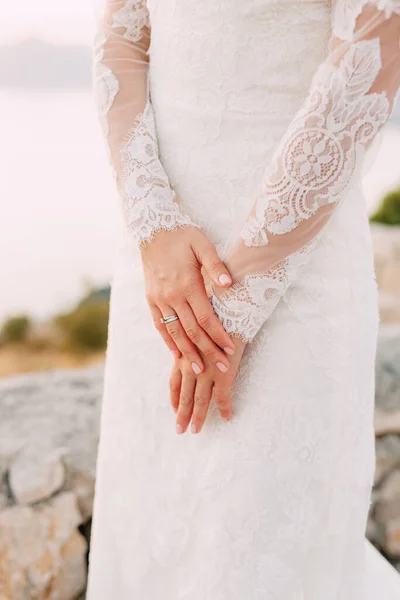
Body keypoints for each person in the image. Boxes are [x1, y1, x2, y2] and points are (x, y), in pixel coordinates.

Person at [87, 1, 400, 597]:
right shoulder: (153, 246)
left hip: (299, 272)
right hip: (157, 270)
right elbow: (120, 38)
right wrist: (152, 224)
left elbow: (366, 62)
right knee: (151, 537)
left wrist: (231, 312)